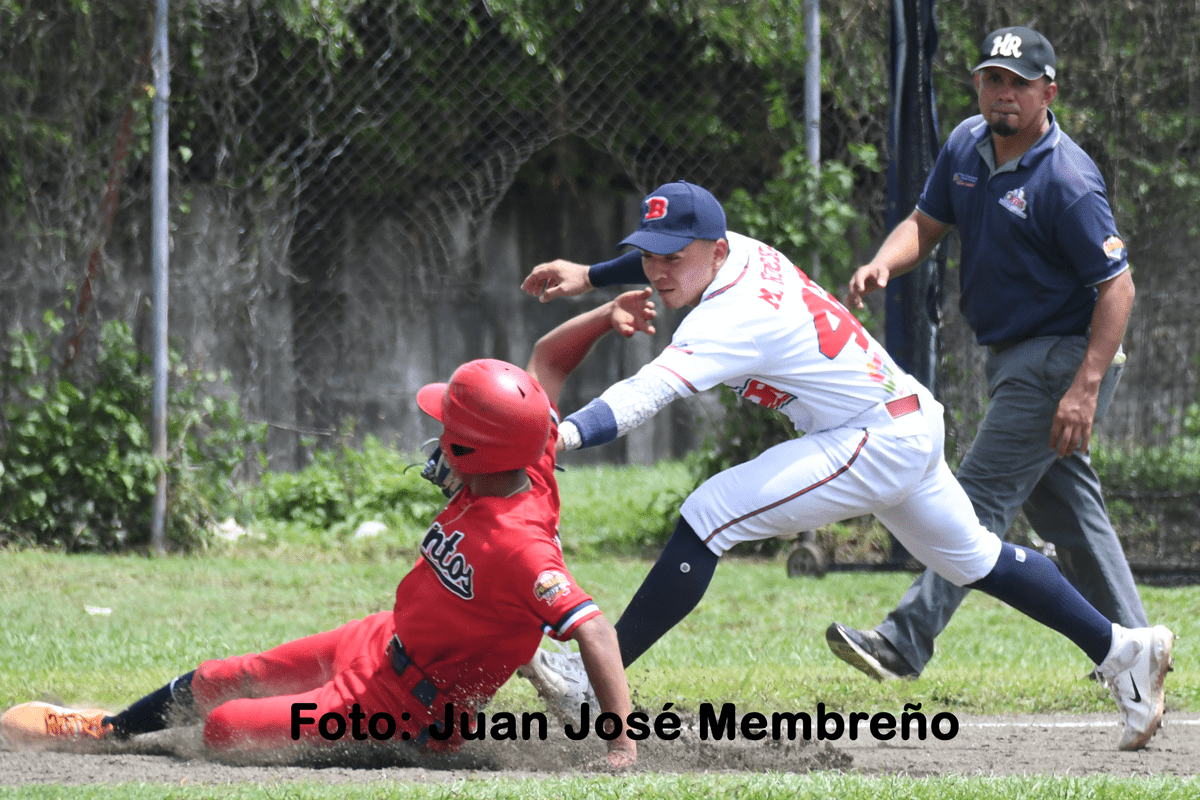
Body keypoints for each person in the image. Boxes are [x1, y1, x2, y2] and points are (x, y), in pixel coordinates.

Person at [518, 179, 1172, 751]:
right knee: (974, 558)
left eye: (674, 256)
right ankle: (1125, 649)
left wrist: (562, 435)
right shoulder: (738, 251)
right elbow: (670, 257)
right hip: (904, 416)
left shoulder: (727, 318)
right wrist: (594, 275)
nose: (659, 271)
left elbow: (645, 394)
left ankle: (591, 679)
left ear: (715, 250)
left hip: (872, 437)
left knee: (709, 515)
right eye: (648, 255)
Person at [0, 291, 660, 768]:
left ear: (478, 455)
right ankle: (110, 727)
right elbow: (548, 358)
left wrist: (622, 745)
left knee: (227, 729)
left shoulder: (523, 545)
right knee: (222, 677)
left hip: (411, 707)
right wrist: (605, 317)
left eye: (450, 435)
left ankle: (378, 751)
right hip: (378, 640)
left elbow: (595, 630)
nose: (438, 443)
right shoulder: (529, 461)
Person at [822, 24, 1147, 683]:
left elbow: (1118, 287)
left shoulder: (1067, 178)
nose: (1003, 93)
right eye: (993, 79)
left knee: (973, 500)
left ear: (1047, 92)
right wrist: (885, 263)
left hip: (1061, 357)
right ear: (978, 84)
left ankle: (903, 641)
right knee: (1069, 511)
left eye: (1019, 83)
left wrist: (1084, 388)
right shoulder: (966, 145)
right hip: (1013, 355)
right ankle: (1137, 648)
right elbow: (925, 223)